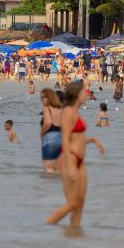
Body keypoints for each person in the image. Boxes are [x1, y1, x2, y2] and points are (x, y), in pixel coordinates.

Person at [46, 82, 105, 227]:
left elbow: (76, 138)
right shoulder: (67, 111)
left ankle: (74, 234)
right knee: (72, 203)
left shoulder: (75, 111)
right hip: (69, 159)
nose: (86, 94)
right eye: (84, 92)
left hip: (80, 160)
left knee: (80, 203)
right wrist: (71, 166)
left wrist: (92, 140)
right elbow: (65, 139)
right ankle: (44, 228)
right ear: (76, 94)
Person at [40, 88, 63, 173]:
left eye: (43, 97)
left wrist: (41, 133)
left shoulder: (47, 107)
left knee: (48, 168)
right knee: (57, 168)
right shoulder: (62, 107)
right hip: (61, 137)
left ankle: (48, 186)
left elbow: (48, 123)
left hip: (50, 136)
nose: (41, 99)